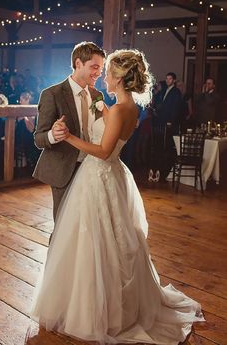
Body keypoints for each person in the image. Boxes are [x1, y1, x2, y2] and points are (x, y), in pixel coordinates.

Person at [30, 49, 204, 345]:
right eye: (96, 68)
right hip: (95, 176)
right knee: (92, 239)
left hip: (97, 174)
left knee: (92, 241)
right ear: (78, 64)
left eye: (106, 70)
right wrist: (99, 106)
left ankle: (88, 308)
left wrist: (69, 136)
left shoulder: (122, 108)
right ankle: (76, 296)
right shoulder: (122, 106)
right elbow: (46, 135)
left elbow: (103, 150)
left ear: (119, 77)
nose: (102, 75)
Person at [33, 41, 106, 221]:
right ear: (78, 63)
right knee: (64, 225)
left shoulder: (97, 96)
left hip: (91, 168)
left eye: (101, 69)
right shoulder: (52, 94)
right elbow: (39, 138)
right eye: (94, 67)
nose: (98, 73)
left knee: (88, 221)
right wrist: (53, 135)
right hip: (64, 170)